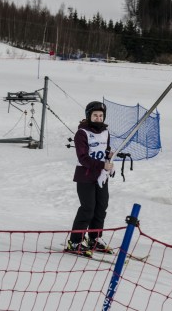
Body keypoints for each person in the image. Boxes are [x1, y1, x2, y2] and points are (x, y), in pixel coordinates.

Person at [67, 101, 114, 257]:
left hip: (101, 176)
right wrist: (102, 164)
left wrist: (108, 157)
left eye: (101, 115)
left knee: (101, 208)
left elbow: (105, 150)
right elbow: (83, 158)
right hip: (85, 175)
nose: (98, 118)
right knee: (88, 208)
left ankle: (94, 238)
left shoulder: (106, 132)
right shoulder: (82, 133)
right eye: (95, 115)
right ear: (89, 116)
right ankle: (75, 241)